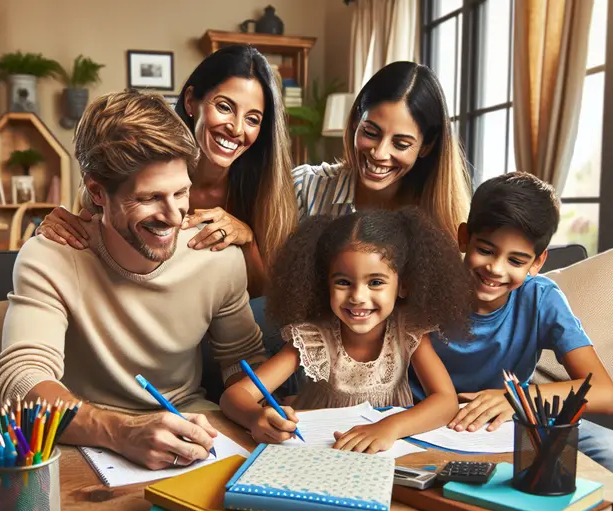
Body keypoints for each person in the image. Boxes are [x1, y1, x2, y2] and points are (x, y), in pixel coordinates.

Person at [0, 90, 267, 471]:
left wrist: (258, 408)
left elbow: (242, 362)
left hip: (192, 433)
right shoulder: (50, 257)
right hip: (81, 437)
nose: (173, 216)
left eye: (181, 192)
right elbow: (20, 385)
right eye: (150, 197)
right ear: (97, 192)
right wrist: (122, 431)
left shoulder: (217, 257)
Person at [408, 172, 613, 483]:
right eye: (486, 250)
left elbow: (604, 394)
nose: (495, 269)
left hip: (515, 416)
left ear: (537, 262)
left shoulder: (542, 298)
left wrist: (515, 399)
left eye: (516, 261)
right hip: (428, 416)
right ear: (464, 237)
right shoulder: (428, 288)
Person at [35, 44, 297, 296]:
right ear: (191, 101)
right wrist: (56, 232)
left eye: (253, 119)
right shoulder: (136, 171)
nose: (237, 129)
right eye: (225, 107)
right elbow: (93, 256)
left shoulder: (264, 190)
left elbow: (267, 298)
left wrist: (247, 241)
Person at [220, 207, 473, 454]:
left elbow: (446, 401)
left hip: (386, 456)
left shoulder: (408, 332)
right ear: (324, 284)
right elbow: (234, 396)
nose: (358, 297)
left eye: (375, 282)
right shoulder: (313, 337)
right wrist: (256, 418)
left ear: (403, 286)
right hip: (318, 452)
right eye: (343, 282)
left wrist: (388, 428)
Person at [291, 61, 471, 240]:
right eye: (370, 132)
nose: (379, 153)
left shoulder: (439, 222)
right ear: (356, 120)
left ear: (426, 146)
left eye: (401, 144)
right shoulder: (303, 188)